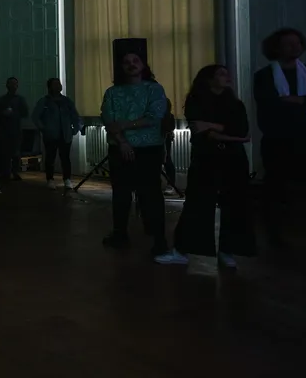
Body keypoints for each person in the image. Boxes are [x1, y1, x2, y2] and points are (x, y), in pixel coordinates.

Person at [253, 28, 306, 249]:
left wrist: (297, 100)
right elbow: (270, 104)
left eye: (298, 43)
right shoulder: (264, 75)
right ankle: (274, 236)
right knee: (276, 189)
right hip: (278, 140)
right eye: (289, 44)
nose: (295, 47)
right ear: (276, 47)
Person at [162, 65, 254, 267]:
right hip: (206, 156)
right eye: (221, 74)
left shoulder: (235, 103)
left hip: (233, 157)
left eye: (226, 73)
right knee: (198, 202)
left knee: (235, 203)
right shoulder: (196, 101)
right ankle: (183, 250)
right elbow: (202, 132)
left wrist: (212, 125)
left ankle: (228, 250)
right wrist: (227, 132)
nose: (227, 77)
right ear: (208, 79)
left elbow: (243, 132)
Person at [100, 53, 168, 253]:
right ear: (121, 67)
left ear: (143, 65)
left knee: (151, 194)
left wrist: (126, 125)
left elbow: (155, 116)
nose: (131, 65)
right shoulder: (112, 92)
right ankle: (120, 234)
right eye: (126, 62)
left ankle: (158, 238)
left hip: (149, 150)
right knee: (121, 193)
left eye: (135, 61)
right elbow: (108, 119)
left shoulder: (154, 89)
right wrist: (122, 142)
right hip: (120, 149)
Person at [32, 78, 81, 190]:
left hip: (65, 134)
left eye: (59, 83)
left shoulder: (67, 101)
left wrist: (75, 129)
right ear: (50, 87)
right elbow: (35, 116)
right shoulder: (44, 101)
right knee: (50, 158)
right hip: (51, 135)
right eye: (55, 84)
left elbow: (75, 116)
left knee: (65, 158)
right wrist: (43, 128)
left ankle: (67, 179)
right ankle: (50, 179)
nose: (58, 86)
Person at [0, 77, 29, 184]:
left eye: (15, 84)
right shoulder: (1, 99)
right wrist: (3, 113)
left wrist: (13, 113)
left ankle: (15, 172)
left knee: (15, 152)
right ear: (7, 85)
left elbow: (25, 113)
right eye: (11, 84)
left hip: (15, 129)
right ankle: (5, 172)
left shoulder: (20, 99)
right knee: (4, 152)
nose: (13, 86)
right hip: (4, 129)